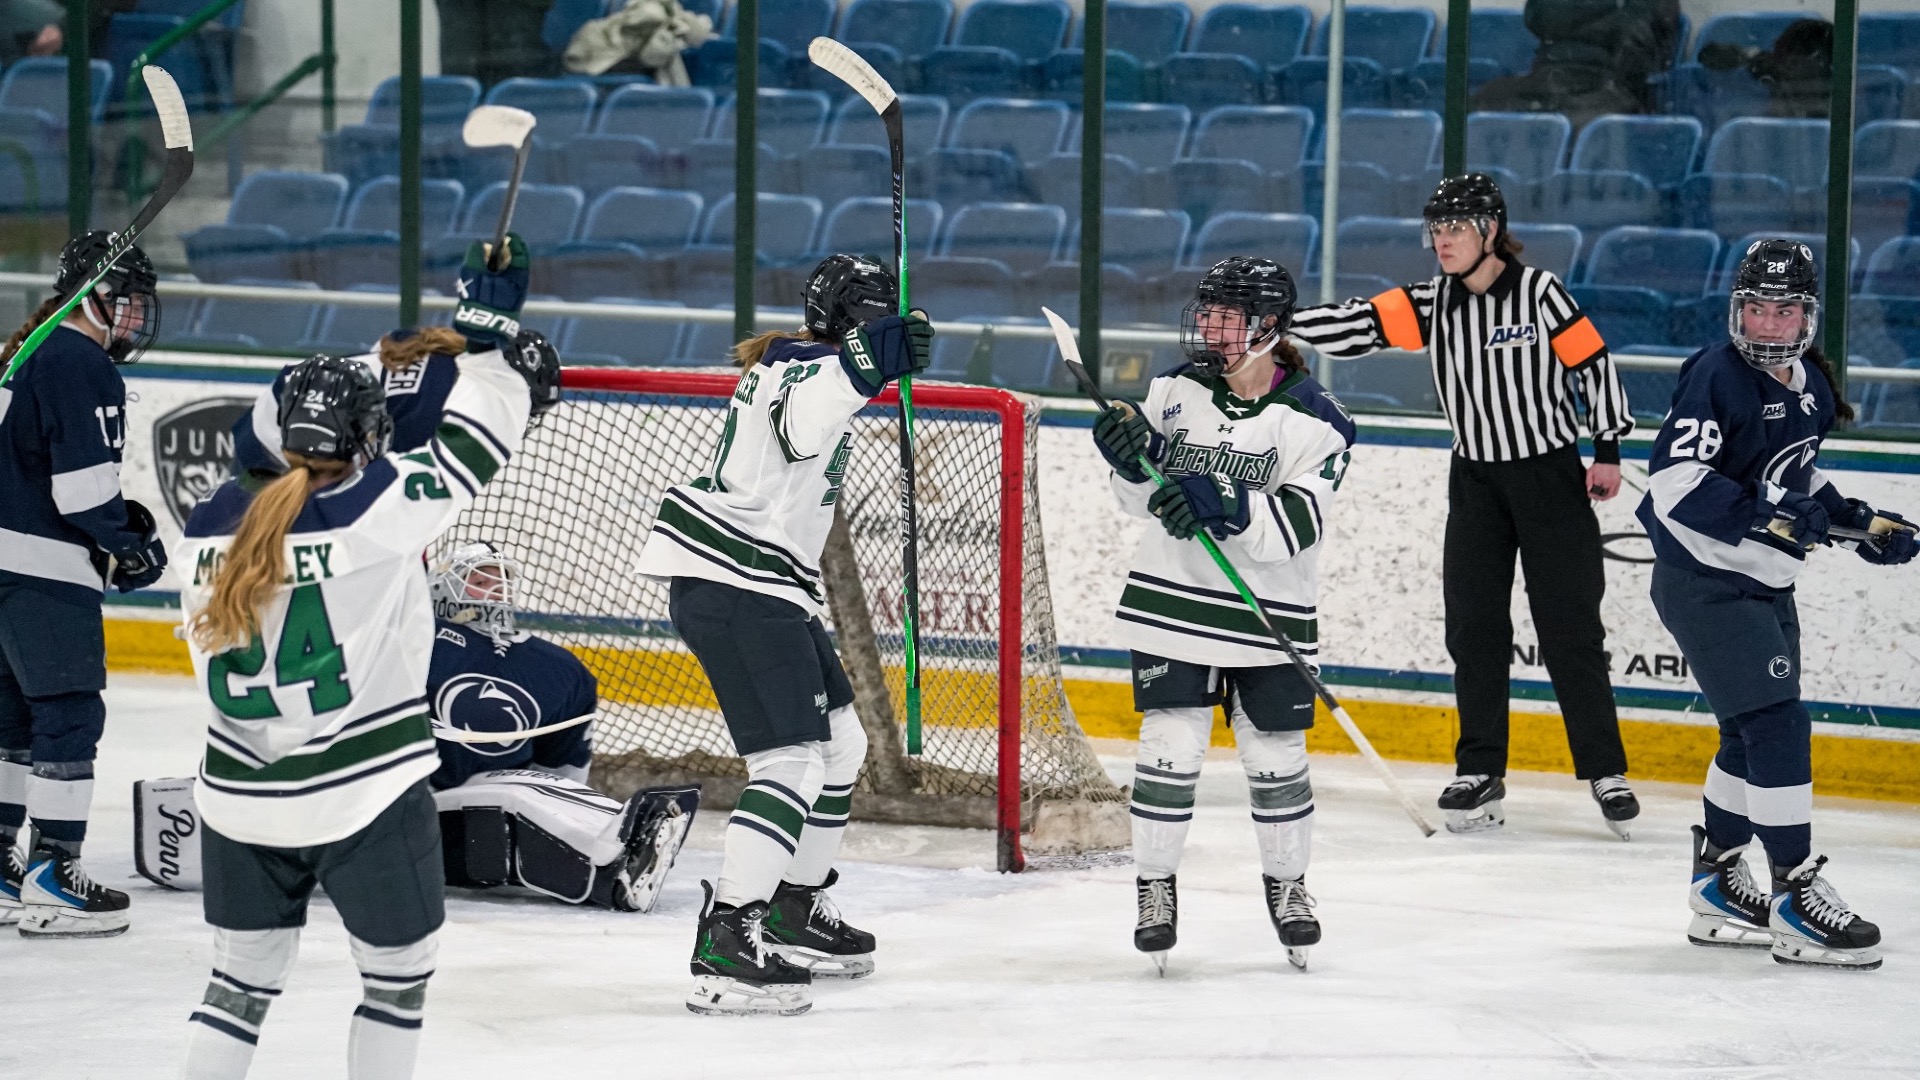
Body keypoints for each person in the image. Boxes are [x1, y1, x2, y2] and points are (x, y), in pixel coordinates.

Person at [173, 242, 556, 1080]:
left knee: (236, 991)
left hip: (238, 800)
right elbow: (476, 440)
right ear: (367, 440)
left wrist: (378, 365)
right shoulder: (376, 514)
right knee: (394, 990)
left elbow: (267, 430)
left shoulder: (206, 527)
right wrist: (488, 344)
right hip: (363, 797)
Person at [1289, 174, 1640, 839]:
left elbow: (1593, 364)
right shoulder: (1435, 301)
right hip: (1475, 480)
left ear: (1489, 230)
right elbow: (1360, 324)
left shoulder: (1540, 293)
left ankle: (1605, 770)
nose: (1441, 241)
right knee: (1475, 628)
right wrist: (1284, 322)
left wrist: (1609, 450)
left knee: (1570, 630)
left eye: (1454, 228)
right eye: (1435, 230)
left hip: (1549, 478)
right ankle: (1480, 769)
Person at [634, 253, 933, 1016]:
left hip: (762, 586)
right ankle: (728, 938)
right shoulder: (801, 376)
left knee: (842, 746)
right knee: (792, 762)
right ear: (849, 323)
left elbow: (838, 389)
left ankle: (794, 908)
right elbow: (814, 412)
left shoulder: (802, 363)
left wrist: (867, 363)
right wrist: (869, 365)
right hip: (737, 586)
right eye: (872, 321)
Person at [1639, 239, 1905, 971]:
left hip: (1763, 579)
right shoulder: (1714, 375)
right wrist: (1775, 518)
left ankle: (1719, 880)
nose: (1767, 323)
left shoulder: (1812, 386)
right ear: (1738, 309)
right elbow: (1677, 484)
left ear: (1806, 317)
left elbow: (1794, 484)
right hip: (1707, 580)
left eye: (1783, 310)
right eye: (1756, 308)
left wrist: (1859, 522)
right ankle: (1794, 892)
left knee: (1744, 731)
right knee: (1778, 724)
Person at [1095, 256, 1356, 974]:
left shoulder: (1318, 421)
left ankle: (1289, 886)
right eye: (1206, 311)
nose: (1209, 326)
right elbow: (1139, 496)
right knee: (1169, 749)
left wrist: (1218, 500)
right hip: (1172, 605)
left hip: (1268, 616)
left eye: (1227, 314)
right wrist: (1128, 466)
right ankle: (1154, 889)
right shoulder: (1174, 389)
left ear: (1270, 327)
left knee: (1275, 757)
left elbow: (1293, 528)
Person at [0, 231, 169, 938]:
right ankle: (53, 871)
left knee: (12, 727)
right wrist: (130, 544)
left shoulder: (30, 349)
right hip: (45, 573)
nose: (134, 318)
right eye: (125, 303)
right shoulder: (79, 361)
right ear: (92, 296)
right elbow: (80, 492)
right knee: (68, 719)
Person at [426, 540, 699, 913]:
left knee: (529, 791)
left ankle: (618, 835)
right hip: (422, 800)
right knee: (512, 796)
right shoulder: (416, 643)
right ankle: (609, 872)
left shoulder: (558, 668)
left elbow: (561, 769)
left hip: (493, 796)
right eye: (479, 580)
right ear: (443, 586)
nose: (496, 589)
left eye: (501, 580)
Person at [230, 237, 556, 481]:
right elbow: (381, 492)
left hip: (286, 408)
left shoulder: (445, 355)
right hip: (280, 440)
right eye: (529, 407)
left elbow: (387, 348)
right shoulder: (444, 405)